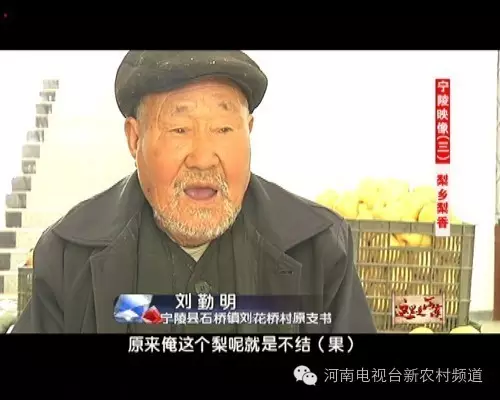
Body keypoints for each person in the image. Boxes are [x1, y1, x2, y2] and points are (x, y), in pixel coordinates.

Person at [13, 51, 376, 334]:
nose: (203, 159)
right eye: (179, 129)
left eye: (223, 129)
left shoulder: (319, 250)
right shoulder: (68, 256)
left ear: (249, 131)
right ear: (135, 139)